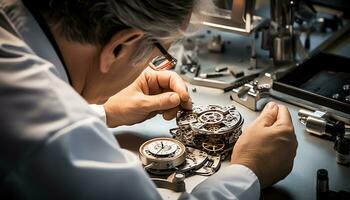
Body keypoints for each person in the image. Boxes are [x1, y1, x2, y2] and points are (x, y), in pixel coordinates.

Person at [0, 0, 298, 199]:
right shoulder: (56, 137)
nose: (154, 65)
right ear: (119, 47)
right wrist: (249, 170)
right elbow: (54, 135)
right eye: (161, 54)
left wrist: (104, 111)